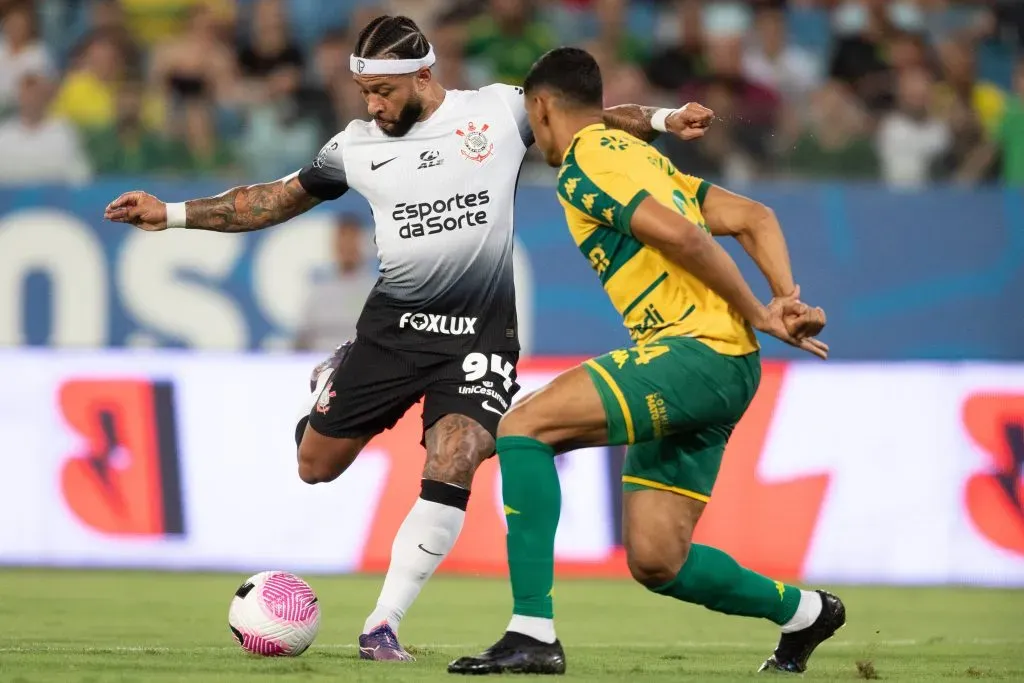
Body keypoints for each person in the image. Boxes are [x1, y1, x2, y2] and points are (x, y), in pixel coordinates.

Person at [103, 15, 715, 662]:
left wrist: (664, 118)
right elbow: (272, 200)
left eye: (383, 91)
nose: (372, 104)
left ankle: (382, 622)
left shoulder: (498, 111)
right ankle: (328, 388)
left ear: (422, 76)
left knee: (456, 456)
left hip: (480, 331)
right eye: (364, 91)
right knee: (317, 466)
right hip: (393, 330)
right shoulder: (355, 145)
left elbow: (584, 119)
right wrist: (169, 215)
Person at [448, 47, 843, 677]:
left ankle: (531, 633)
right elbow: (753, 216)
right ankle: (805, 614)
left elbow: (686, 237)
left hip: (695, 352)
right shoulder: (638, 156)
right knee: (659, 560)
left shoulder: (584, 164)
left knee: (523, 428)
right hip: (727, 369)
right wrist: (787, 297)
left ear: (541, 106)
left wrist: (761, 312)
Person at [294, 213, 377, 352]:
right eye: (342, 241)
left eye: (352, 240)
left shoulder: (376, 292)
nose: (347, 248)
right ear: (335, 245)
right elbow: (301, 341)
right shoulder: (319, 293)